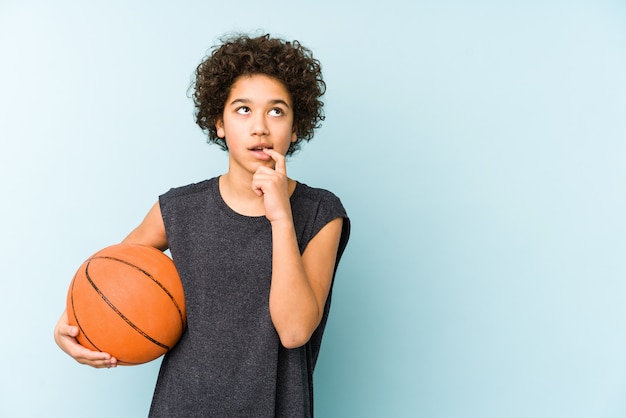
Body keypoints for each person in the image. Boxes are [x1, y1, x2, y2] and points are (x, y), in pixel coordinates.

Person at [54, 33, 350, 417]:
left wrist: (280, 216)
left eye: (276, 111)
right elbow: (108, 282)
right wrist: (68, 329)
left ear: (296, 128)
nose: (259, 127)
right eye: (243, 109)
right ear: (219, 123)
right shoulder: (179, 209)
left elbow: (294, 332)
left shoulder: (320, 213)